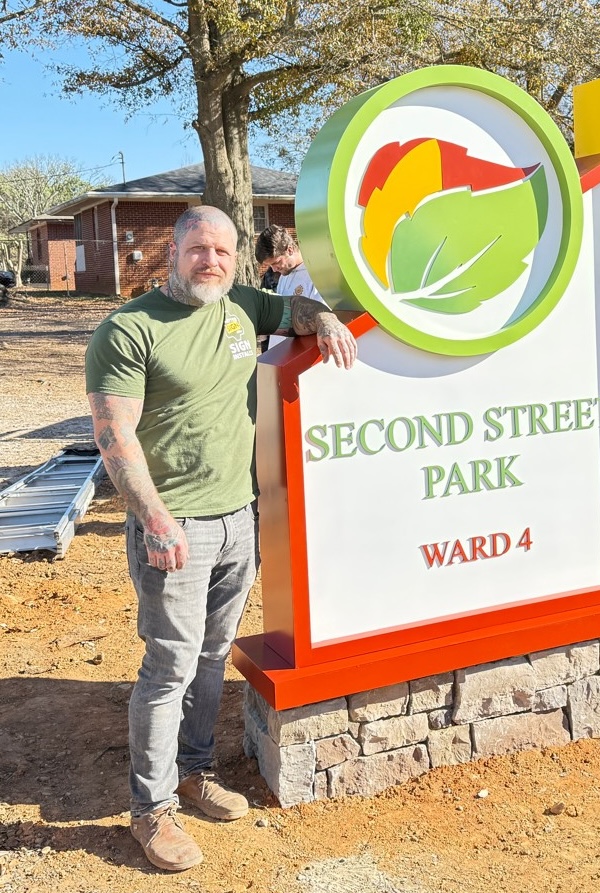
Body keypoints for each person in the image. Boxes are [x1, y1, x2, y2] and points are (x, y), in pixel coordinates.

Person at [85, 206, 356, 873]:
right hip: (174, 526)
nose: (211, 260)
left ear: (238, 257)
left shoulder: (238, 303)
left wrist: (319, 317)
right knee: (168, 667)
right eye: (198, 248)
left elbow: (294, 310)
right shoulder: (128, 329)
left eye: (223, 250)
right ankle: (150, 810)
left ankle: (193, 769)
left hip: (240, 516)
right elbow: (114, 435)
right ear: (172, 252)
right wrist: (154, 518)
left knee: (212, 656)